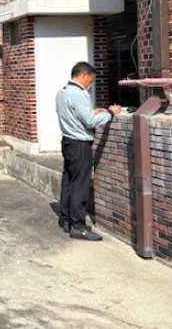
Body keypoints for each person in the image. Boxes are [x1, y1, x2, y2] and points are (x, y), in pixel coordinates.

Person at [56, 61, 121, 241]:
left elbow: (74, 115)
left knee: (68, 181)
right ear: (84, 75)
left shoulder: (62, 92)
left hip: (68, 142)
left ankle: (66, 219)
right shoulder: (79, 94)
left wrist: (91, 111)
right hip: (80, 144)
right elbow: (90, 122)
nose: (90, 84)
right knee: (80, 185)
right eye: (90, 79)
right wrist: (111, 112)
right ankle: (78, 226)